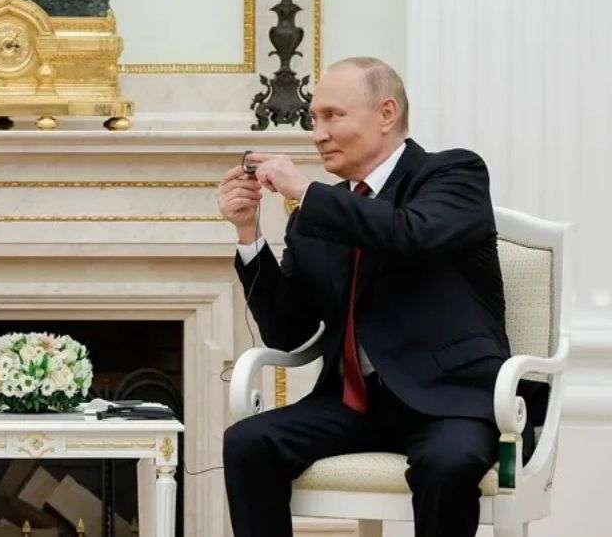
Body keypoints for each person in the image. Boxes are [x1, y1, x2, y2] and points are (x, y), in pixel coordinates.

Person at [218, 57, 514, 537]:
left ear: (386, 113)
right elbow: (288, 330)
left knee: (447, 464)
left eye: (333, 116)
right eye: (314, 119)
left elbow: (409, 233)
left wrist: (306, 191)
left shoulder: (453, 173)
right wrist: (249, 236)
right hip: (354, 404)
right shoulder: (315, 215)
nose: (318, 134)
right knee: (248, 441)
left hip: (450, 398)